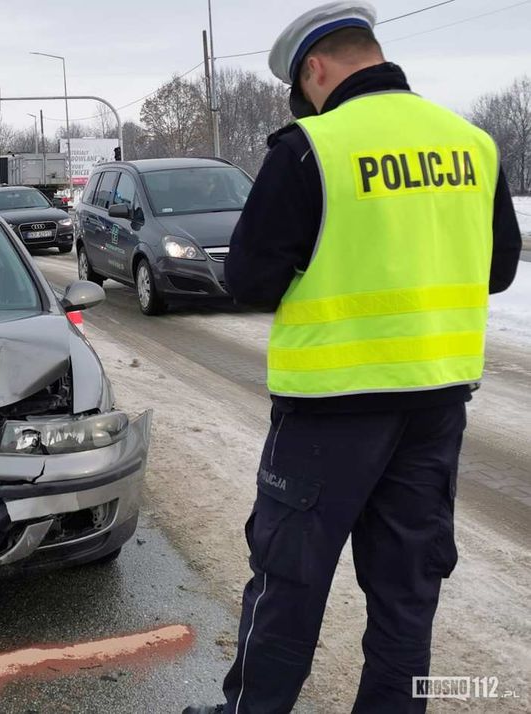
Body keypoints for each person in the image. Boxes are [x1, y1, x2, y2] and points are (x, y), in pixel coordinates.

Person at [184, 3, 522, 713]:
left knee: (288, 584)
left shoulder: (311, 146)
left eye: (301, 86)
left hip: (328, 412)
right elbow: (496, 271)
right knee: (407, 591)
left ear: (315, 68)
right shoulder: (472, 143)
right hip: (436, 405)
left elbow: (248, 280)